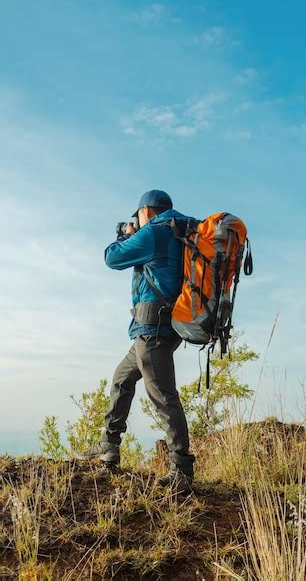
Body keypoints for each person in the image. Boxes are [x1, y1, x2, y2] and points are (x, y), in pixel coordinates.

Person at [76, 190, 195, 492]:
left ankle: (181, 470)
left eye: (137, 215)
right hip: (162, 327)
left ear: (146, 211)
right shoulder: (181, 232)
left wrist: (124, 236)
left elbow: (112, 258)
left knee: (163, 396)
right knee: (122, 379)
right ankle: (108, 446)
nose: (135, 220)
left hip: (152, 329)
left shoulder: (154, 233)